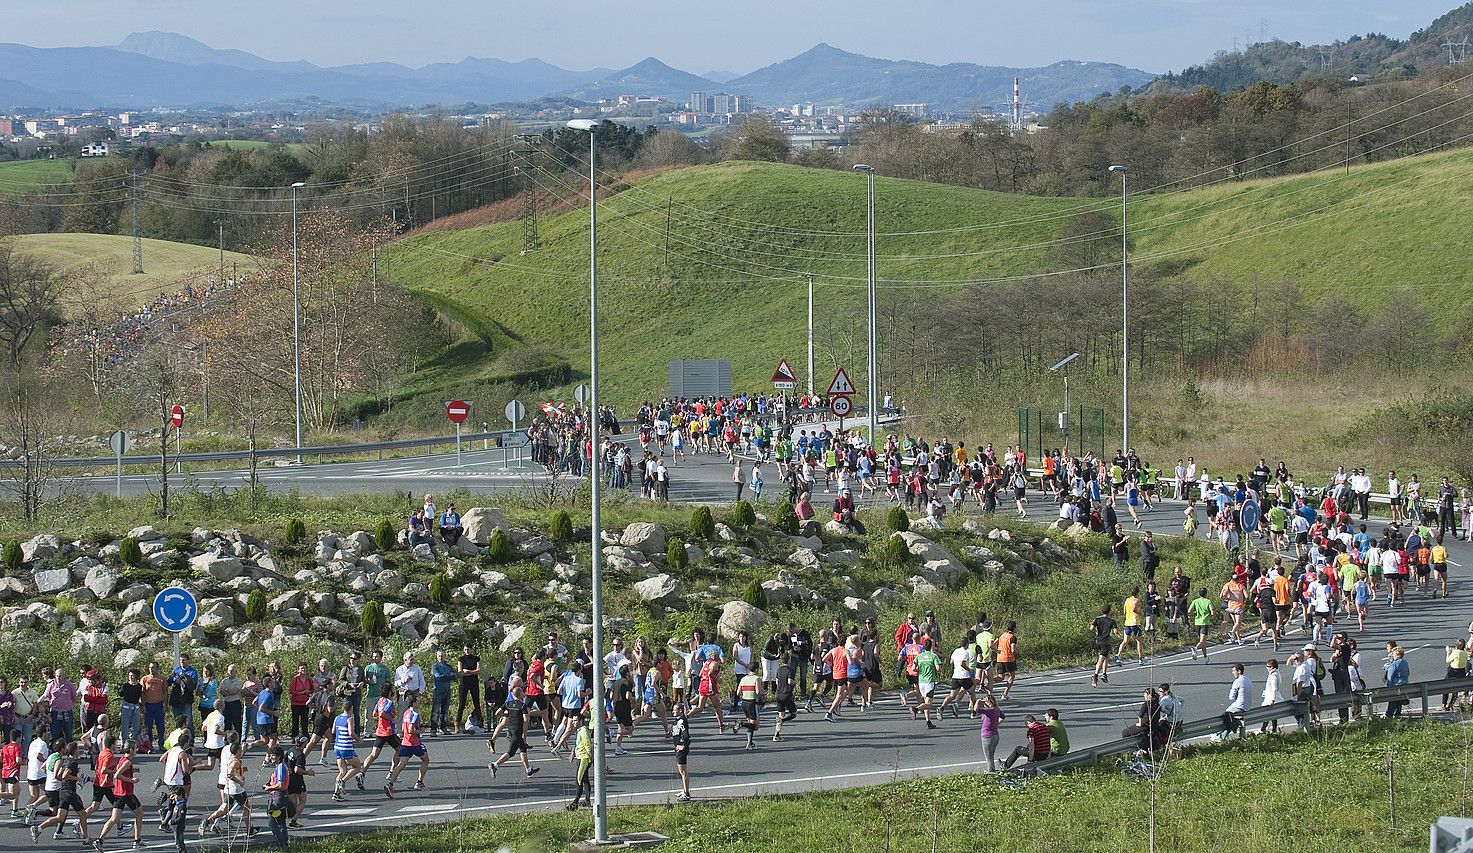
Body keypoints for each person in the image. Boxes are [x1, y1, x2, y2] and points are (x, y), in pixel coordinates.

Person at [33, 740, 88, 844]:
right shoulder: (72, 762)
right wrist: (77, 778)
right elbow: (64, 776)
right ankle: (85, 838)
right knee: (83, 815)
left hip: (62, 792)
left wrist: (73, 772)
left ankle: (39, 828)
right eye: (78, 749)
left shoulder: (66, 760)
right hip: (70, 792)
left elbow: (60, 773)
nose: (79, 751)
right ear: (74, 750)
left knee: (60, 817)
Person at [486, 683, 541, 780]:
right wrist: (526, 716)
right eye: (522, 693)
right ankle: (495, 765)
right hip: (517, 731)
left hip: (511, 729)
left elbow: (497, 712)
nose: (524, 694)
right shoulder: (522, 706)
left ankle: (528, 770)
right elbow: (525, 719)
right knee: (510, 753)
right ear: (520, 695)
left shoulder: (508, 704)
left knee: (523, 749)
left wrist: (507, 715)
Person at [385, 693, 429, 796]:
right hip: (414, 743)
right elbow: (410, 730)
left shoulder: (406, 713)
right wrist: (421, 731)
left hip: (405, 742)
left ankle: (390, 784)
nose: (419, 702)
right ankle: (419, 782)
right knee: (426, 760)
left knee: (401, 765)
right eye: (418, 701)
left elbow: (404, 728)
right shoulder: (415, 714)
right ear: (413, 703)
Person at [262, 745, 291, 849]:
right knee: (281, 822)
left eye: (273, 755)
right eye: (270, 755)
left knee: (272, 823)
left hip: (278, 799)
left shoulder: (281, 768)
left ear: (279, 756)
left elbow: (281, 785)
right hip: (280, 797)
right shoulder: (280, 767)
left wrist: (269, 788)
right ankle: (285, 844)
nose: (271, 758)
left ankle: (281, 845)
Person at [1215, 663, 1252, 741]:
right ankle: (1221, 735)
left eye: (1234, 671)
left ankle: (1221, 736)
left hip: (1239, 705)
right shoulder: (1248, 679)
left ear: (1239, 671)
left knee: (1226, 716)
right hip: (1247, 706)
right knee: (1230, 716)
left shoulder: (1237, 681)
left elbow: (1231, 697)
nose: (1232, 673)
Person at [565, 712, 593, 811]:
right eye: (573, 721)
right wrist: (573, 752)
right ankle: (587, 800)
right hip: (580, 757)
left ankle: (575, 803)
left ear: (581, 721)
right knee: (585, 779)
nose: (573, 723)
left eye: (575, 721)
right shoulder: (580, 730)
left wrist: (590, 758)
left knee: (578, 780)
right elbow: (579, 743)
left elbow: (587, 745)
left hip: (584, 758)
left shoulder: (584, 731)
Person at [456, 644, 483, 733]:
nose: (467, 651)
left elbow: (478, 670)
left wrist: (468, 672)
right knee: (462, 704)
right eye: (465, 649)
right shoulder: (461, 659)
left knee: (476, 703)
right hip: (464, 683)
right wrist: (472, 672)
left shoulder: (476, 659)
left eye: (468, 649)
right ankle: (457, 723)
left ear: (471, 649)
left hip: (474, 683)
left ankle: (480, 721)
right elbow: (460, 671)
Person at [1091, 605, 1116, 688]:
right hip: (1105, 641)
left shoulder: (1097, 619)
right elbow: (1115, 631)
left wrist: (1095, 632)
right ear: (1109, 611)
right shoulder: (1111, 621)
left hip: (1098, 640)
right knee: (1101, 659)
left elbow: (1091, 628)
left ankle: (1104, 674)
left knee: (1105, 657)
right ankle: (1095, 675)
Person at [977, 695, 1004, 772]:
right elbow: (1003, 717)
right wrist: (996, 724)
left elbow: (976, 709)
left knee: (988, 757)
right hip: (995, 736)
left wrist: (978, 701)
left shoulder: (989, 711)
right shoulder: (996, 710)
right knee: (991, 755)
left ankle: (990, 771)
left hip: (987, 736)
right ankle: (992, 769)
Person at [671, 705, 692, 802]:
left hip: (681, 749)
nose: (673, 711)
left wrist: (683, 745)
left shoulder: (682, 721)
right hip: (677, 748)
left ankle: (687, 793)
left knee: (683, 772)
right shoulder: (677, 720)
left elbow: (686, 735)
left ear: (680, 710)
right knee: (681, 771)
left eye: (675, 710)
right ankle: (684, 790)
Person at [1384, 644, 1410, 719]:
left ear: (1397, 654)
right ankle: (1397, 714)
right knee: (1399, 700)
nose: (1392, 655)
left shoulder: (1394, 663)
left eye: (1393, 654)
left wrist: (1388, 685)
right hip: (1404, 683)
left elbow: (1390, 676)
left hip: (1395, 684)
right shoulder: (1405, 662)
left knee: (1393, 700)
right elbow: (1408, 672)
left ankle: (1389, 714)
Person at [1188, 587, 1214, 661]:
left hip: (1197, 622)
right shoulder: (1208, 601)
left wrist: (1194, 614)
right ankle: (1195, 649)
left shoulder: (1195, 601)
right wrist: (1210, 614)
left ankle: (1206, 657)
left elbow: (1189, 611)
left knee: (1202, 642)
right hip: (1204, 622)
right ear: (1206, 594)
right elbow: (1212, 612)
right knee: (1202, 641)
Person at [1260, 659, 1284, 733]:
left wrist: (1272, 700)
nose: (1266, 668)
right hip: (1273, 697)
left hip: (1271, 698)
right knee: (1273, 715)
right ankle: (1273, 730)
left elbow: (1274, 688)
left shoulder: (1273, 676)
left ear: (1272, 667)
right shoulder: (1276, 673)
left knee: (1266, 714)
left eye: (1267, 666)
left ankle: (1263, 729)